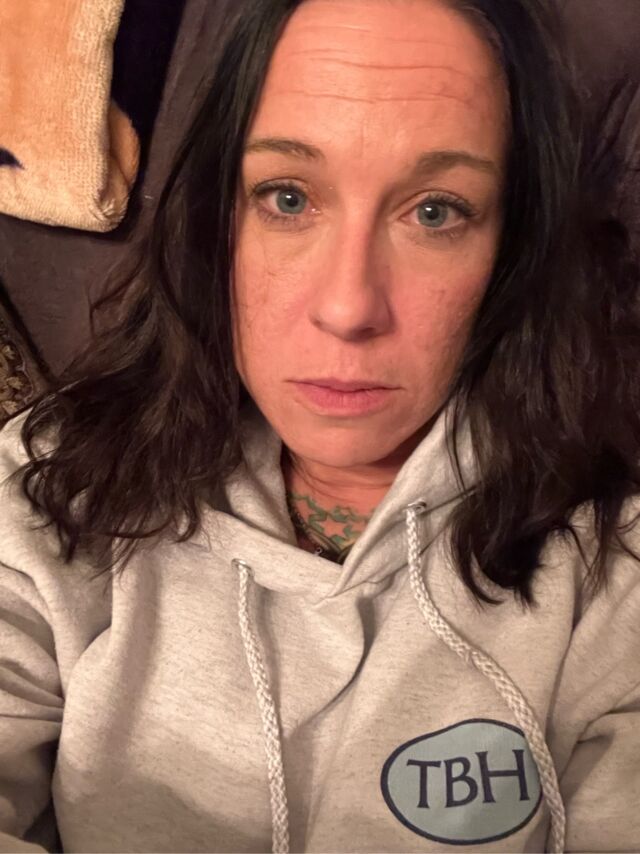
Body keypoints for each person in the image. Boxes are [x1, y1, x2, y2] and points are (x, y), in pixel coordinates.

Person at [1, 0, 639, 851]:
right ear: (217, 223)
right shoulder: (53, 483)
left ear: (512, 250)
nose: (348, 307)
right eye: (289, 197)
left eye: (437, 211)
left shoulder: (614, 569)